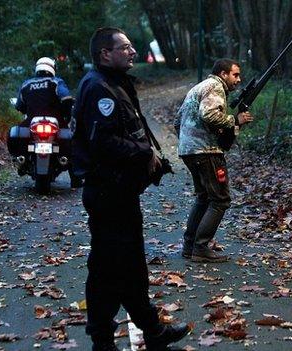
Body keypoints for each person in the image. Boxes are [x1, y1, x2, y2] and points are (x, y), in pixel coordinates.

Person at [71, 27, 189, 351]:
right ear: (104, 54)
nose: (132, 51)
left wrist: (152, 157)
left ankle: (150, 328)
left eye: (130, 46)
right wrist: (144, 152)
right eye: (124, 47)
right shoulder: (98, 87)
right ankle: (104, 339)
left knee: (130, 265)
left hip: (121, 193)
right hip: (108, 194)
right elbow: (103, 142)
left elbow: (128, 129)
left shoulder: (115, 83)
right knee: (108, 270)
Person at [174, 58, 253, 263]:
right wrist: (235, 120)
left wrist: (189, 141)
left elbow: (177, 121)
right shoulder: (215, 86)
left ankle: (190, 246)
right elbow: (209, 114)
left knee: (204, 197)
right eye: (235, 74)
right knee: (220, 199)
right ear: (223, 74)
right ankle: (200, 247)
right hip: (206, 151)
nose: (238, 79)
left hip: (189, 150)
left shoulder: (200, 87)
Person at [14, 57, 82, 188]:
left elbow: (19, 106)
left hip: (31, 122)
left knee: (17, 134)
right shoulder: (56, 82)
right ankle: (76, 178)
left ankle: (21, 161)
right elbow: (67, 99)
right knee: (74, 142)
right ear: (52, 68)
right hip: (56, 122)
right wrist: (67, 115)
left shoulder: (26, 84)